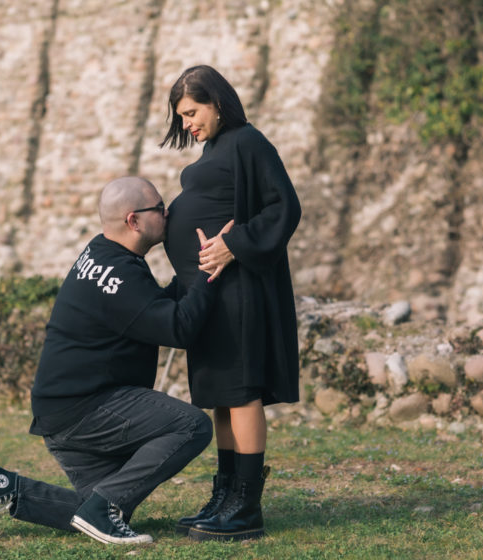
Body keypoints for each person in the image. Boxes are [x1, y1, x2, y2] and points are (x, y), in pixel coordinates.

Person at [0, 176, 232, 546]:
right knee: (192, 427)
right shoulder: (120, 275)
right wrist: (209, 270)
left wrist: (189, 278)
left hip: (61, 414)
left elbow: (150, 310)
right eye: (159, 207)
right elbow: (179, 329)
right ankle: (101, 508)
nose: (167, 213)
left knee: (98, 508)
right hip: (85, 411)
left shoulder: (105, 254)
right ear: (134, 221)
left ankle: (6, 487)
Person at [160, 65, 301, 541]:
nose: (187, 124)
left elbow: (284, 206)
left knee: (241, 394)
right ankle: (225, 495)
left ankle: (246, 506)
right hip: (211, 296)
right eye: (181, 117)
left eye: (192, 112)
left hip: (238, 291)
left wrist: (234, 244)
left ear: (217, 102)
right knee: (222, 397)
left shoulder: (248, 142)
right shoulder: (214, 147)